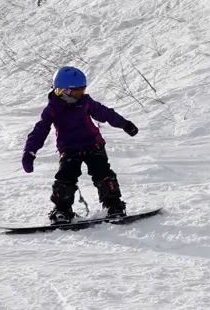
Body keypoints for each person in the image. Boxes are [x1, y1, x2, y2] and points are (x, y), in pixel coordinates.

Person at [22, 65, 139, 223]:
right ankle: (62, 210)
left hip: (93, 144)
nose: (80, 95)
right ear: (63, 91)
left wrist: (124, 124)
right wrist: (30, 152)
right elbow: (39, 131)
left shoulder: (85, 102)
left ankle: (113, 205)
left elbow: (105, 113)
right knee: (65, 177)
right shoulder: (52, 110)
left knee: (102, 173)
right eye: (76, 92)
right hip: (69, 148)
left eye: (82, 91)